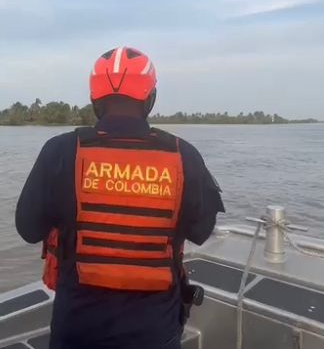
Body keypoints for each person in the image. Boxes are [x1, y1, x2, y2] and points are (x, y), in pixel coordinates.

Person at [15, 46, 224, 349]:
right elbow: (201, 232)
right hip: (155, 333)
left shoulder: (60, 151)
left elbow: (28, 228)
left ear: (95, 100)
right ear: (150, 99)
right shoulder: (183, 156)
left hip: (77, 330)